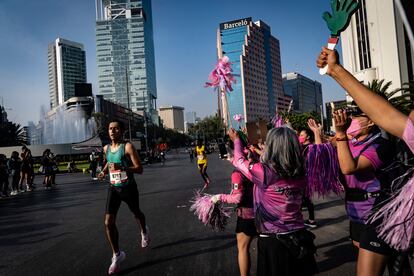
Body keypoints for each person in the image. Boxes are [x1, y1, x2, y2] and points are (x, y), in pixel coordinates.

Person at [228, 127, 317, 276]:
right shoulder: (302, 170)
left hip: (274, 242)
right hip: (300, 237)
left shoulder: (264, 172)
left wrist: (236, 140)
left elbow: (238, 160)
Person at [97, 119, 149, 275]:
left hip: (128, 187)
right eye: (110, 128)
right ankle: (117, 254)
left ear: (122, 131)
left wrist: (123, 167)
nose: (112, 131)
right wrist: (103, 172)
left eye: (116, 128)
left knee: (136, 213)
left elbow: (140, 169)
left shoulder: (128, 147)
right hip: (114, 188)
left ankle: (144, 231)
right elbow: (109, 162)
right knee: (108, 222)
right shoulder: (106, 148)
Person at [211, 167, 257, 276]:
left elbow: (237, 198)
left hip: (247, 215)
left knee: (243, 248)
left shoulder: (238, 172)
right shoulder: (260, 165)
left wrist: (218, 197)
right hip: (267, 214)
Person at [298, 128, 317, 228]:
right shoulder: (302, 146)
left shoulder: (310, 147)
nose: (300, 137)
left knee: (303, 198)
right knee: (304, 199)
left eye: (302, 135)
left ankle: (309, 220)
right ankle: (310, 220)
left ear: (308, 136)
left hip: (306, 177)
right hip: (303, 176)